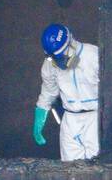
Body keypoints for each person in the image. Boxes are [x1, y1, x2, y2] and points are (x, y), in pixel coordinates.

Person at [33, 23, 99, 161]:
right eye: (54, 58)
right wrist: (39, 119)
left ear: (71, 42)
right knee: (70, 170)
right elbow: (49, 92)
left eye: (62, 55)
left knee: (97, 167)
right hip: (70, 120)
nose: (59, 61)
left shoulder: (94, 55)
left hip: (95, 117)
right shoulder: (49, 65)